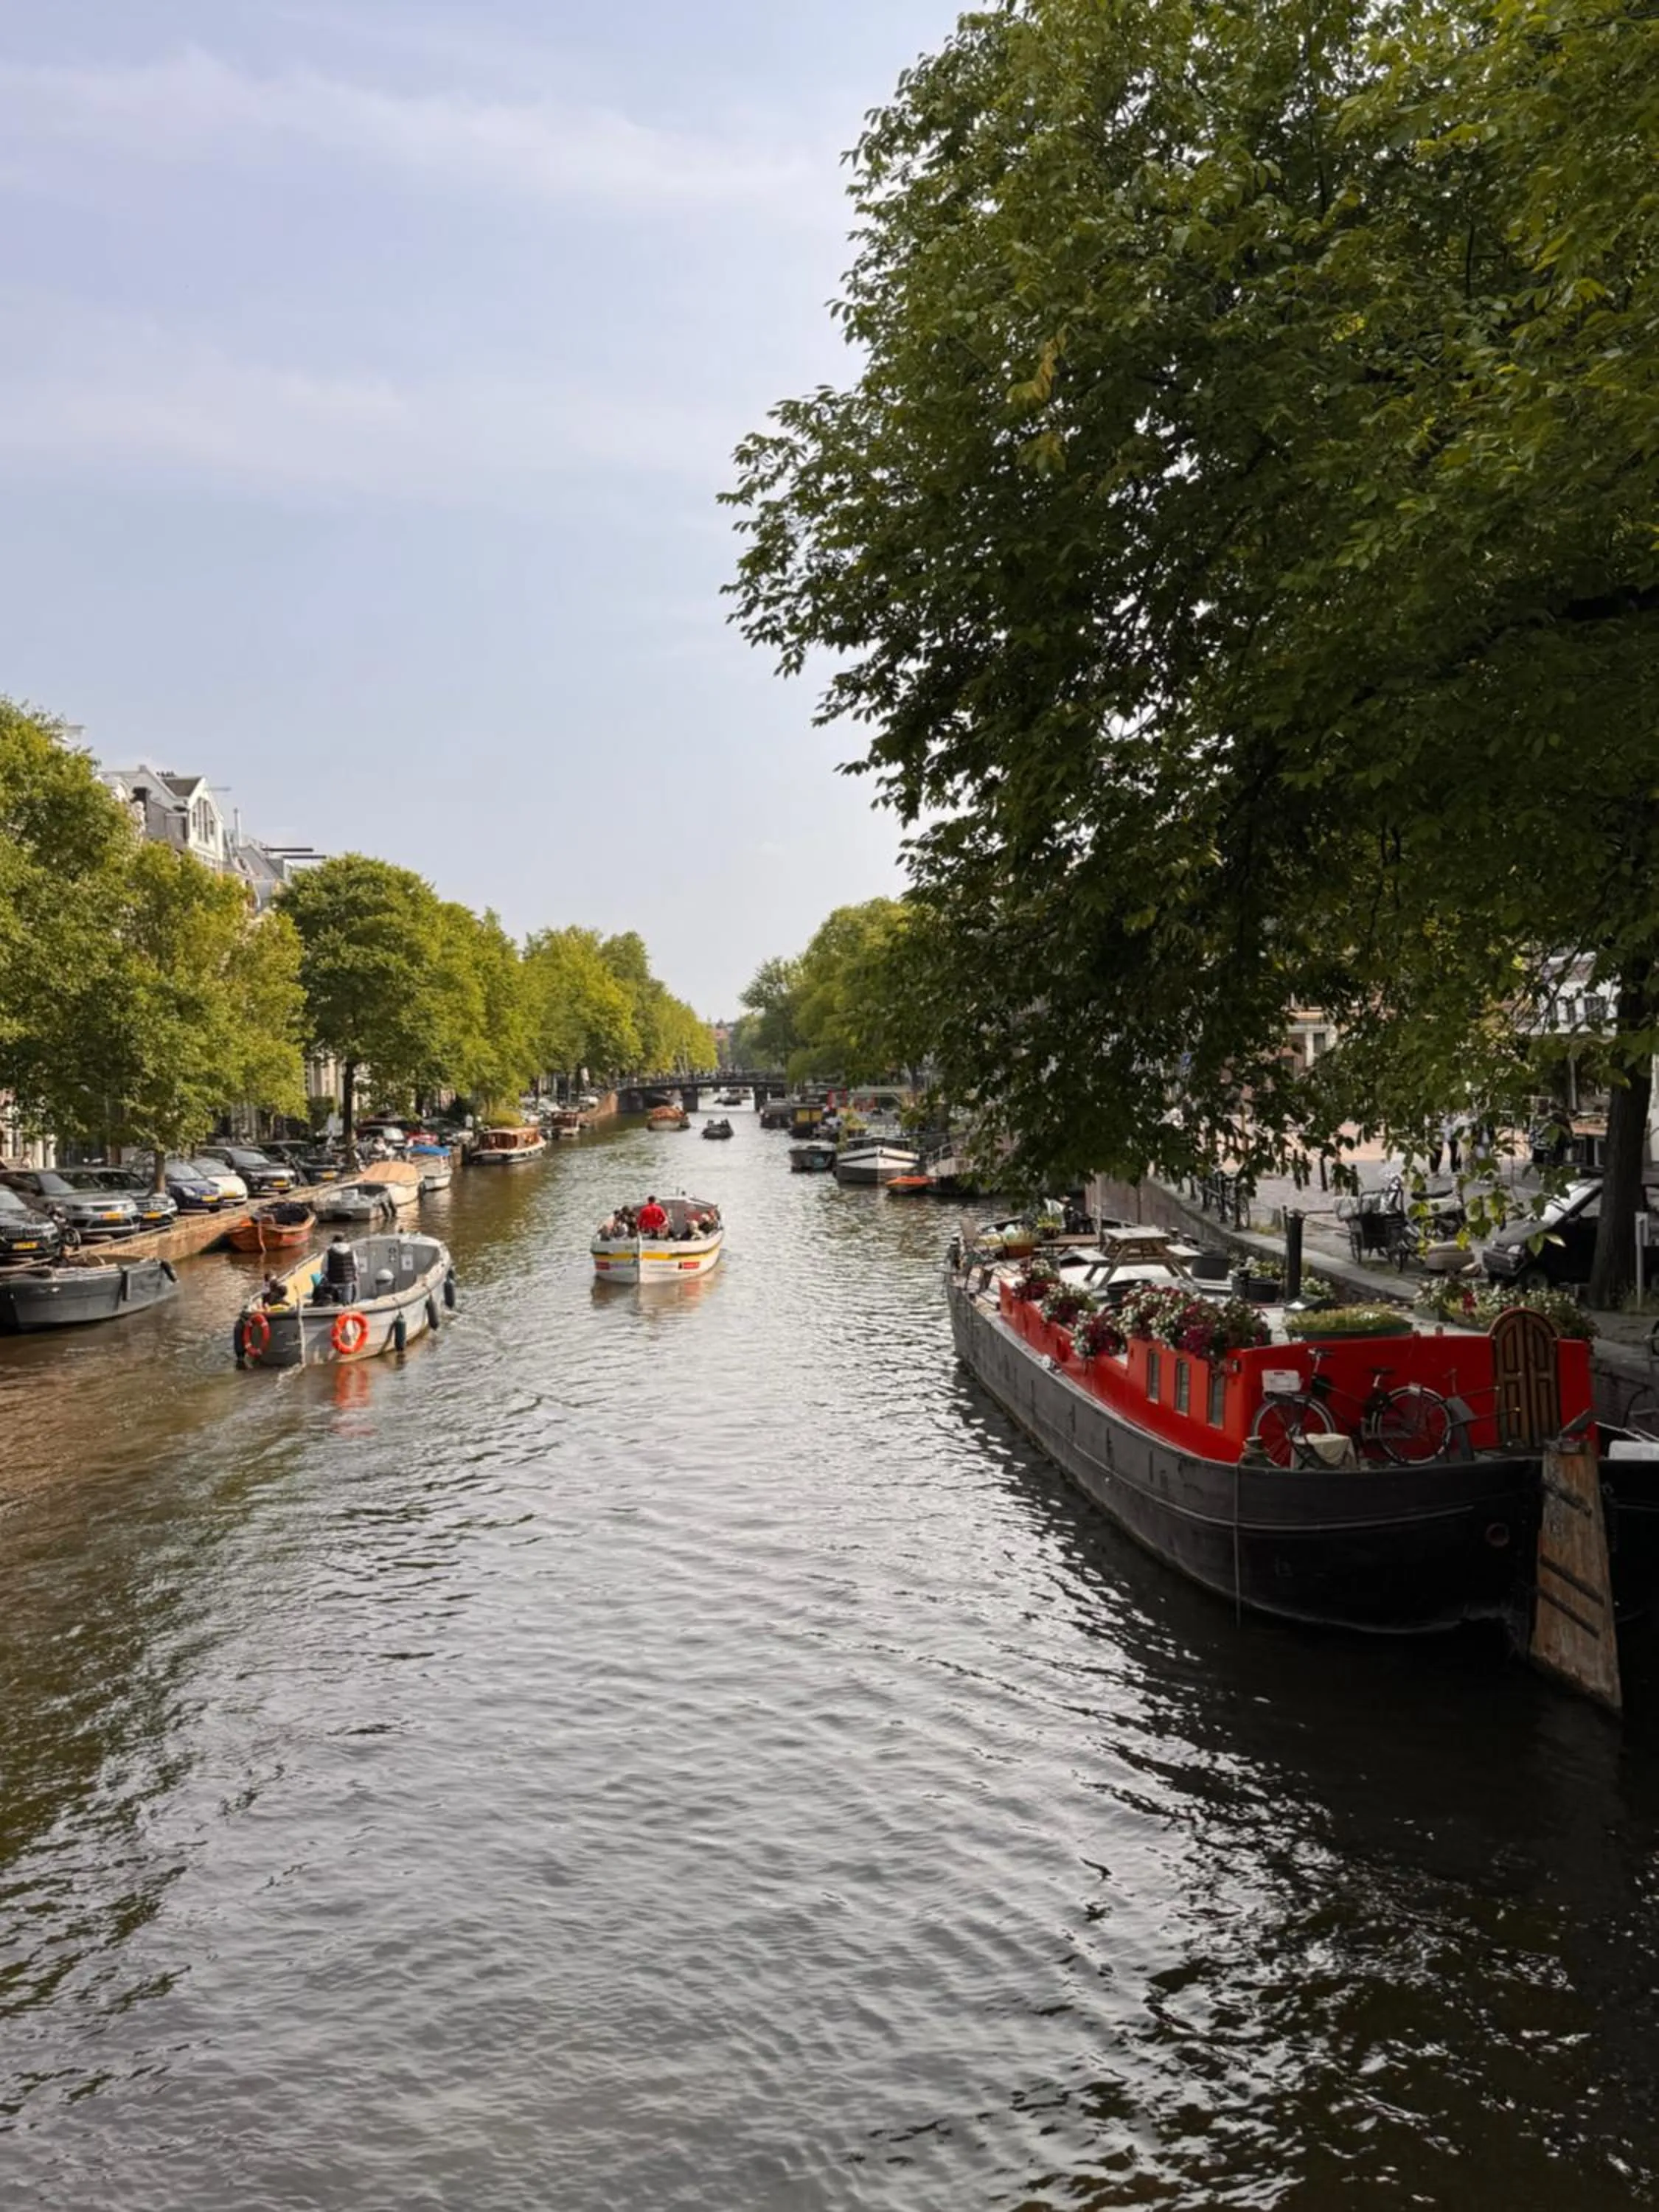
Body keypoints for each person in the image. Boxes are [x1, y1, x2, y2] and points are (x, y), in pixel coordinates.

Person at [322, 1233, 360, 1306]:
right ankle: (347, 1308)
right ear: (344, 1242)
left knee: (333, 1301)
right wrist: (355, 1275)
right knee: (347, 1303)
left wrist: (325, 1276)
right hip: (347, 1281)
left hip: (333, 1281)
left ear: (333, 1241)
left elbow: (324, 1267)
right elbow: (355, 1265)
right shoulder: (351, 1251)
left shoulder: (329, 1252)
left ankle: (333, 1310)